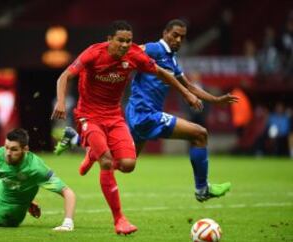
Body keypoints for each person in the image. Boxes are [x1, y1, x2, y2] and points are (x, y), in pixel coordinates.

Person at [54, 19, 238, 204]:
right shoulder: (153, 49)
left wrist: (215, 100)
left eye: (182, 37)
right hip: (145, 113)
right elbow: (129, 52)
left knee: (125, 164)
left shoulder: (171, 60)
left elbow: (189, 85)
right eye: (175, 35)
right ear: (165, 33)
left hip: (141, 115)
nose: (178, 40)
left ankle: (78, 141)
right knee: (199, 134)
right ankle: (202, 189)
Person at [51, 20, 203, 235]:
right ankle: (119, 219)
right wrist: (60, 102)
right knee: (106, 160)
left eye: (128, 41)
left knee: (129, 164)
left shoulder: (134, 55)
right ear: (109, 40)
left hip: (114, 116)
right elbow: (65, 75)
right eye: (120, 40)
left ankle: (91, 153)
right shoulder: (94, 53)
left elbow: (163, 73)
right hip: (89, 115)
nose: (124, 45)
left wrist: (187, 93)